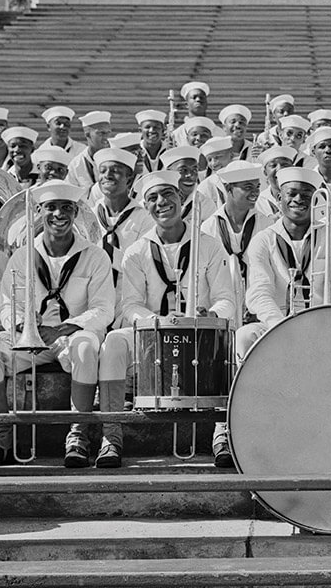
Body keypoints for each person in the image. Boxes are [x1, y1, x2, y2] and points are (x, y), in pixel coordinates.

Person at [0, 180, 115, 468]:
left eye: (66, 208)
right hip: (32, 337)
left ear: (76, 212)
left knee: (86, 348)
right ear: (39, 212)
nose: (59, 214)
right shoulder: (22, 255)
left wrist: (62, 329)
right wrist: (22, 324)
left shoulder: (95, 255)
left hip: (73, 334)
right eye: (51, 207)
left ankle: (78, 437)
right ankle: (2, 439)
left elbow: (104, 309)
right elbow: (7, 303)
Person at [98, 171, 236, 468]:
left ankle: (222, 432)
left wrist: (210, 315)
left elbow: (227, 299)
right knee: (112, 343)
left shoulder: (209, 245)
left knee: (230, 341)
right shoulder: (137, 251)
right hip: (152, 333)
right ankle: (111, 435)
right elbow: (130, 305)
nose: (161, 202)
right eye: (153, 198)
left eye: (168, 194)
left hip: (199, 332)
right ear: (145, 206)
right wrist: (157, 321)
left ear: (181, 197)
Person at [236, 167, 331, 358]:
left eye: (306, 195)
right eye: (291, 194)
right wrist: (281, 327)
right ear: (279, 197)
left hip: (322, 324)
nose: (298, 199)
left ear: (316, 199)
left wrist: (325, 327)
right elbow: (259, 294)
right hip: (277, 325)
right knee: (244, 336)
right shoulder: (263, 240)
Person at [201, 161, 274, 327]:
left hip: (256, 313)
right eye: (247, 187)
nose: (255, 192)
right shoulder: (209, 228)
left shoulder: (266, 225)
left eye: (257, 187)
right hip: (222, 311)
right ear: (228, 189)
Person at [90, 148, 151, 283]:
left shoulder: (144, 219)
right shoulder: (90, 216)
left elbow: (142, 265)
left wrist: (108, 252)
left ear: (129, 180)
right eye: (102, 171)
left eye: (115, 171)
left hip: (129, 291)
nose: (107, 175)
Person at [66, 111, 113, 189]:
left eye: (108, 133)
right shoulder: (76, 165)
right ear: (87, 134)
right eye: (101, 133)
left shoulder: (117, 159)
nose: (106, 137)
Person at [254, 146, 297, 218]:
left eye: (285, 165)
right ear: (265, 173)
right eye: (273, 165)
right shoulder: (260, 202)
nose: (279, 169)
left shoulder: (305, 195)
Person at [170, 81, 215, 147]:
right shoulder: (177, 134)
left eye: (202, 97)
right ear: (186, 104)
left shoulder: (218, 131)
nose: (198, 100)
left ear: (206, 102)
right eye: (194, 97)